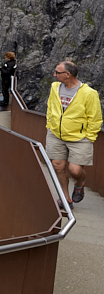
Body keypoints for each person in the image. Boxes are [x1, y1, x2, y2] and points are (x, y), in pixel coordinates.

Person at [47, 60, 100, 204]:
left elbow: (95, 118)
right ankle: (65, 199)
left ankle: (79, 182)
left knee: (75, 170)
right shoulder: (55, 87)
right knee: (58, 166)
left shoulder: (89, 93)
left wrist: (89, 137)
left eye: (57, 72)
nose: (54, 75)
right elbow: (50, 106)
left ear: (68, 74)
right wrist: (49, 125)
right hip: (56, 135)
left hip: (80, 138)